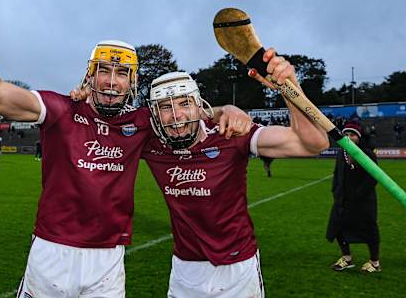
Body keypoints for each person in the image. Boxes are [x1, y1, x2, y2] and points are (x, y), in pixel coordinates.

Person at [0, 0, 242, 298]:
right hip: (52, 252)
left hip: (108, 262)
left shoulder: (142, 122)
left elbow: (185, 118)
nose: (112, 82)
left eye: (122, 73)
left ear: (133, 82)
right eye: (104, 70)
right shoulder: (60, 110)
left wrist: (225, 109)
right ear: (90, 74)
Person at [141, 61, 329, 296]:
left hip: (237, 267)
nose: (176, 115)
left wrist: (290, 87)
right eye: (165, 107)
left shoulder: (230, 133)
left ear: (199, 106)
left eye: (184, 103)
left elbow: (314, 145)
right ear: (155, 113)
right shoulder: (150, 143)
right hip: (185, 268)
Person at [326, 122, 381, 273]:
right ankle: (347, 258)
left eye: (353, 135)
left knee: (369, 229)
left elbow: (373, 177)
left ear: (359, 136)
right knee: (338, 227)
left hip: (363, 201)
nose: (349, 137)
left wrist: (359, 194)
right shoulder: (341, 152)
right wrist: (336, 190)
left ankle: (375, 262)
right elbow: (337, 173)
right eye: (346, 134)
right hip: (342, 199)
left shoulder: (367, 153)